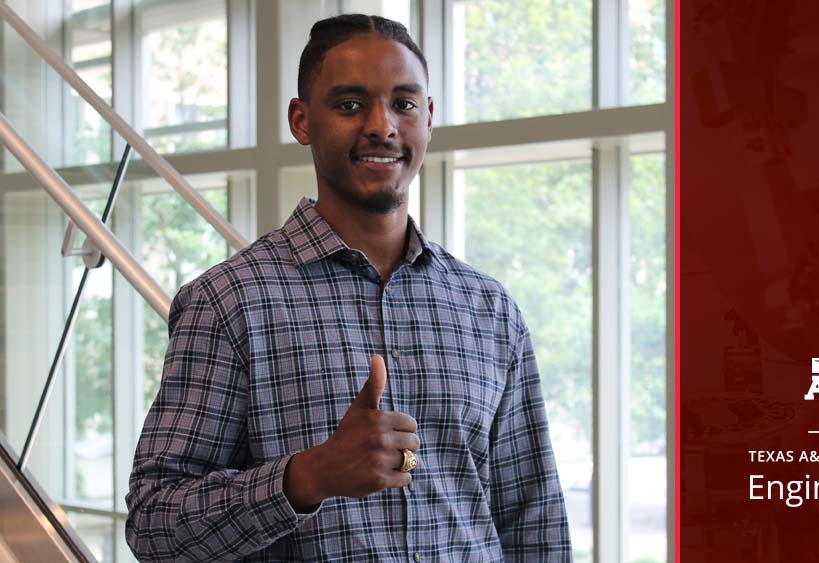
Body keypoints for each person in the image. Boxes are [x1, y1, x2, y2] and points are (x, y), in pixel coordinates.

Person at [125, 13, 572, 562]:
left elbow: (535, 521)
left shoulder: (489, 309)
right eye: (350, 104)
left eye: (404, 104)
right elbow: (153, 524)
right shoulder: (230, 303)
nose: (382, 126)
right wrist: (306, 477)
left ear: (428, 118)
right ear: (301, 120)